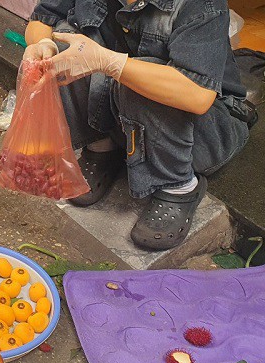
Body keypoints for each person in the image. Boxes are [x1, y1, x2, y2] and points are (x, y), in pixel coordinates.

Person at [23, 0, 257, 250]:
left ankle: (178, 185)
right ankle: (102, 146)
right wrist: (42, 45)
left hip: (202, 131)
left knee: (144, 79)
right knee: (64, 49)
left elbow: (197, 96)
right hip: (122, 112)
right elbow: (43, 19)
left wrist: (113, 64)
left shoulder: (201, 4)